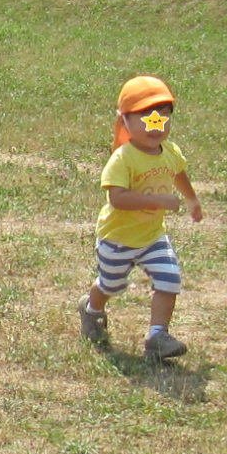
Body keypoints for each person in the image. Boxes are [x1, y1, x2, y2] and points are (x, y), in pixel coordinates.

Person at [78, 75, 206, 360]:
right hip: (117, 239)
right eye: (146, 117)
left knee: (169, 277)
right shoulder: (123, 159)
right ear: (124, 121)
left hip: (152, 236)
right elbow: (117, 198)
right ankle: (91, 309)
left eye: (163, 117)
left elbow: (178, 172)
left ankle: (158, 336)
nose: (155, 124)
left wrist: (191, 198)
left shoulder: (170, 152)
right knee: (112, 285)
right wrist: (157, 200)